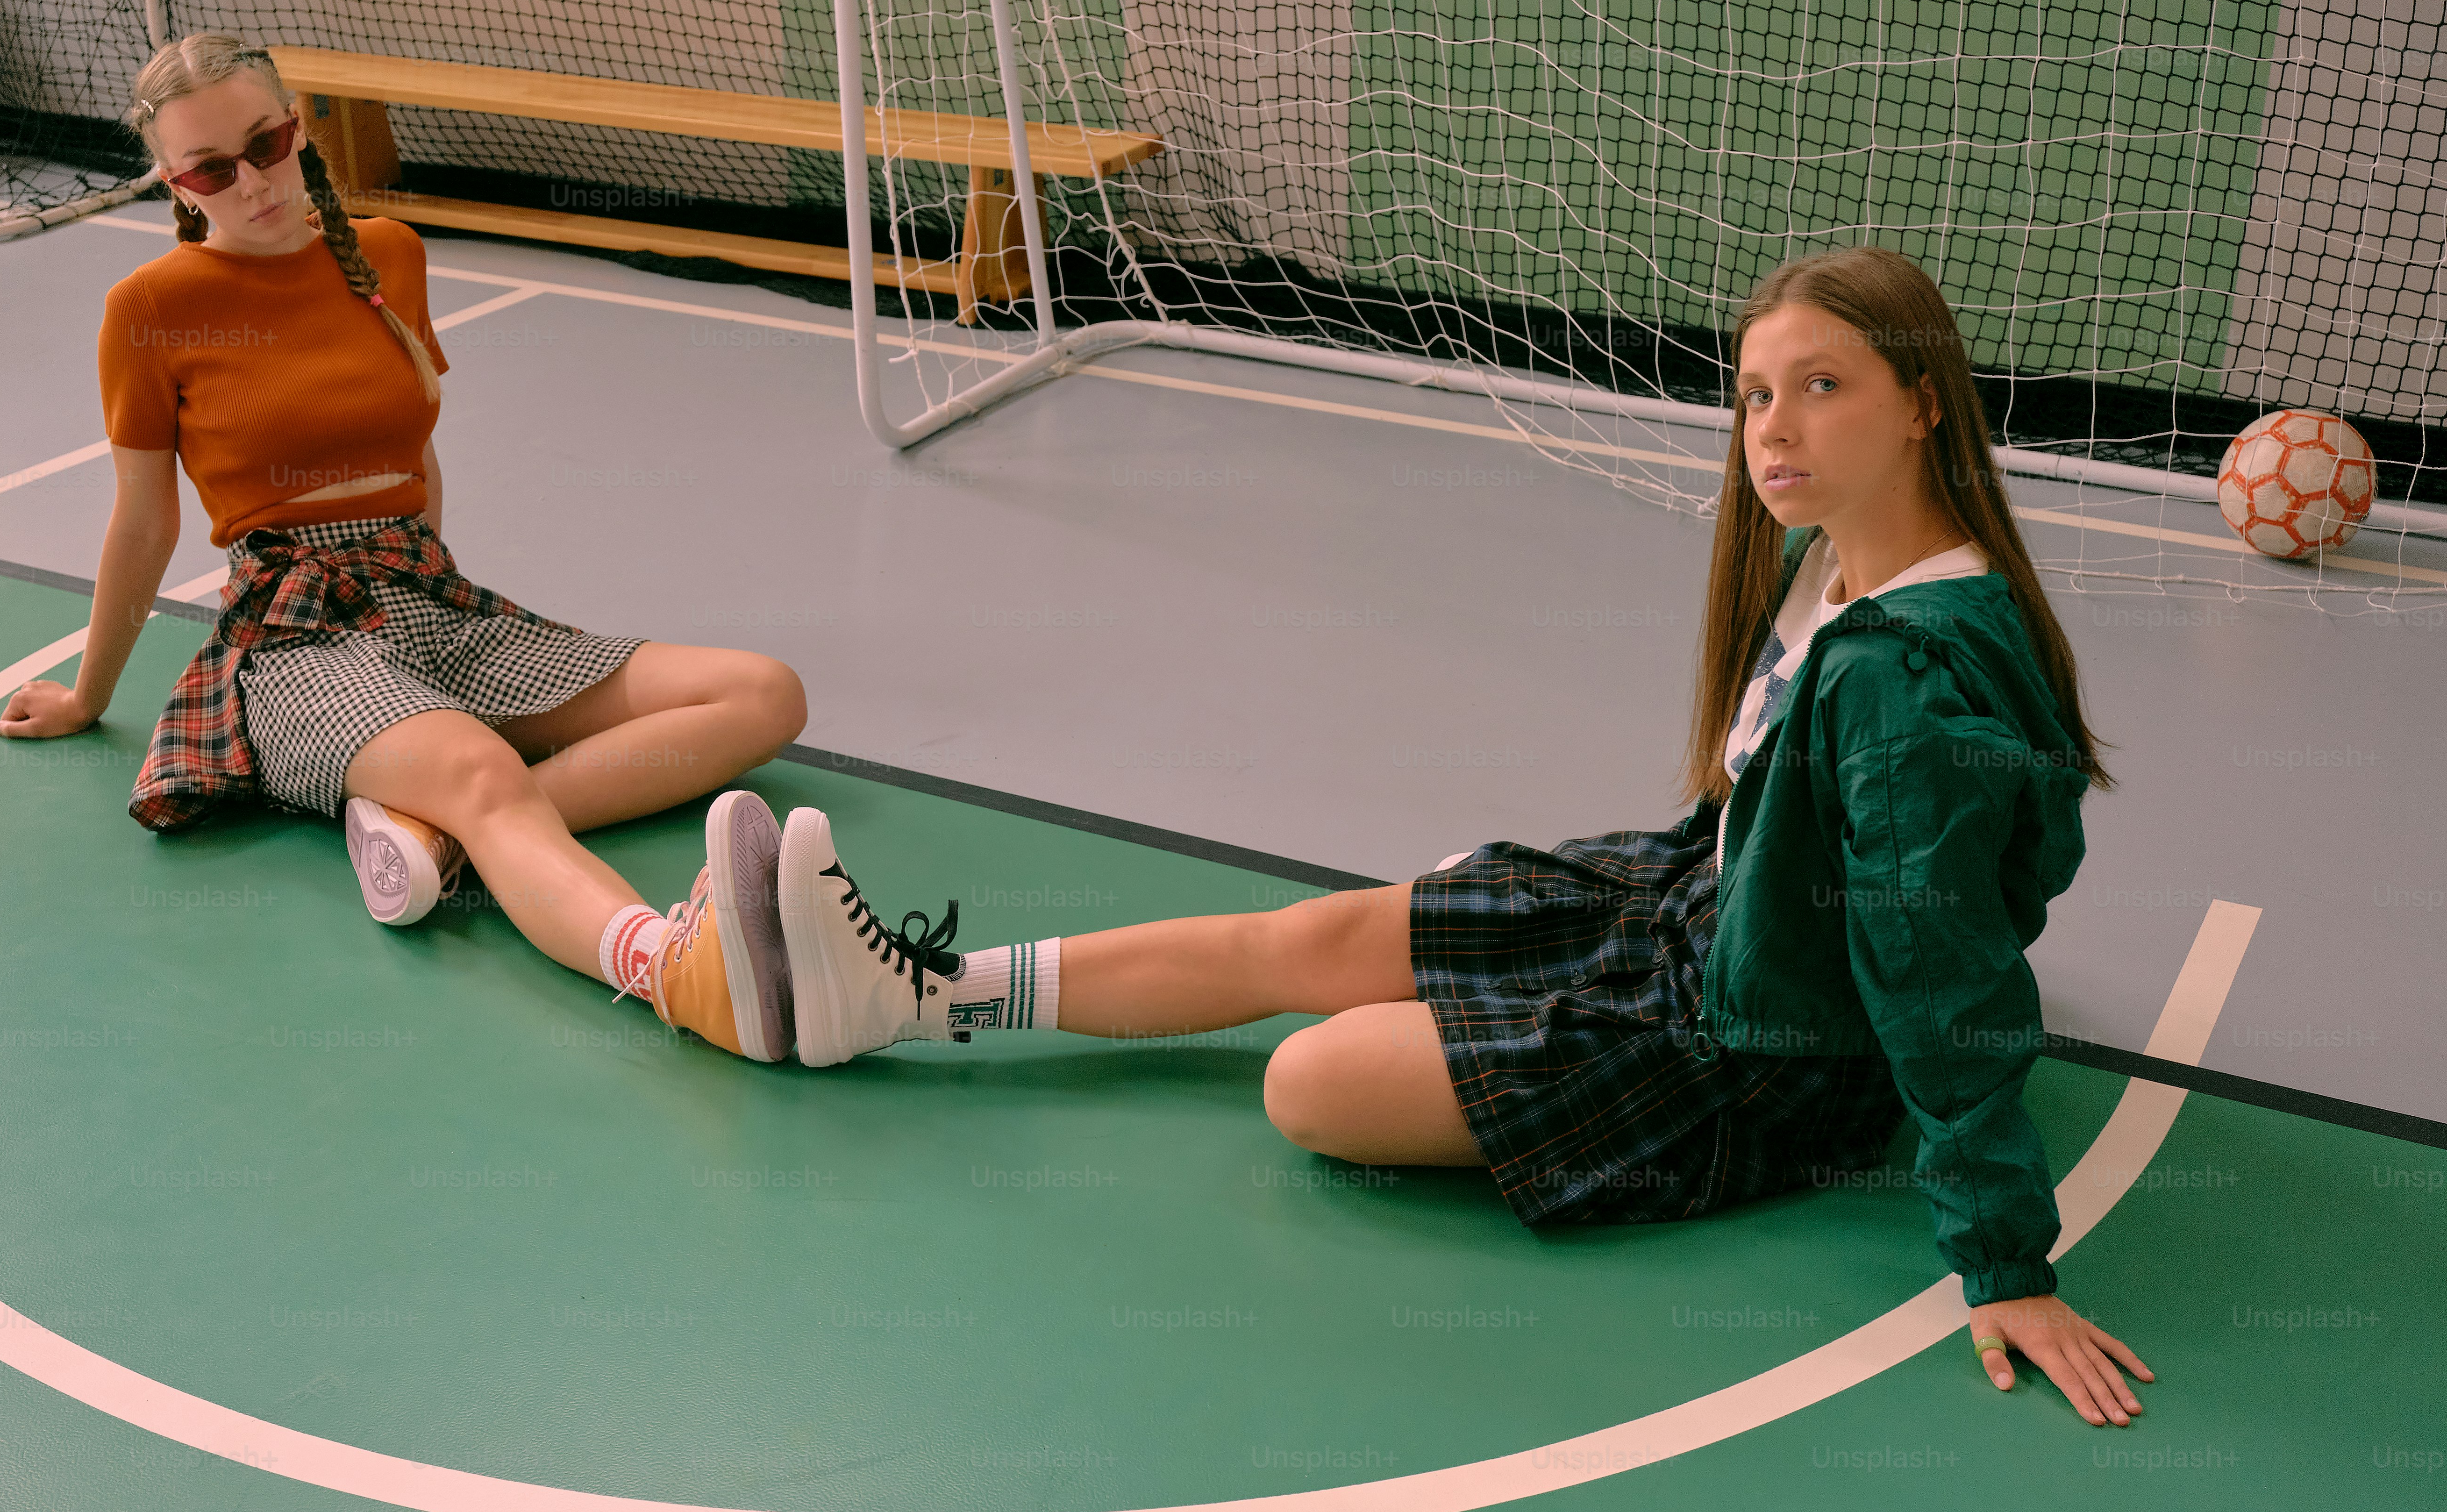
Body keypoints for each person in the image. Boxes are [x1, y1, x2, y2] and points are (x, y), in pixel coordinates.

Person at [769, 245, 2157, 1429]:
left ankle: (918, 1001)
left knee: (1310, 1086)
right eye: (1752, 396)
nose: (1773, 429)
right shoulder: (1835, 569)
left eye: (1820, 387)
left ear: (1924, 404)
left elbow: (1944, 962)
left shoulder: (1903, 674)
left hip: (1765, 1049)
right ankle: (917, 994)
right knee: (1313, 937)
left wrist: (2005, 1262)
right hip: (1699, 910)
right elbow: (1823, 833)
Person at [0, 32, 806, 1065]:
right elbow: (144, 521)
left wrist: (437, 625)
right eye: (211, 168)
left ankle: (432, 837)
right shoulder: (149, 310)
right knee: (479, 765)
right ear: (177, 183)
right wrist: (86, 694)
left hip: (425, 594)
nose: (252, 181)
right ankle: (668, 966)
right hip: (296, 639)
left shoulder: (388, 253)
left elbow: (415, 456)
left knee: (763, 693)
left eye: (269, 141)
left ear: (300, 128)